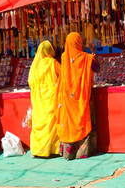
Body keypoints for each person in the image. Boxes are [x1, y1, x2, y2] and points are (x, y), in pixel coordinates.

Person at [56, 32, 99, 160]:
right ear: (79, 43)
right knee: (82, 119)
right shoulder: (86, 57)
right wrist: (94, 53)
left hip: (67, 97)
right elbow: (97, 68)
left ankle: (69, 151)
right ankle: (82, 151)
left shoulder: (64, 57)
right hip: (82, 96)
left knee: (69, 121)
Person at [28, 40, 61, 158]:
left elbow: (31, 82)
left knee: (39, 122)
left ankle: (38, 150)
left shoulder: (36, 66)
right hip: (51, 98)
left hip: (39, 100)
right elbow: (63, 75)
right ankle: (52, 149)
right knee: (51, 123)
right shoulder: (53, 63)